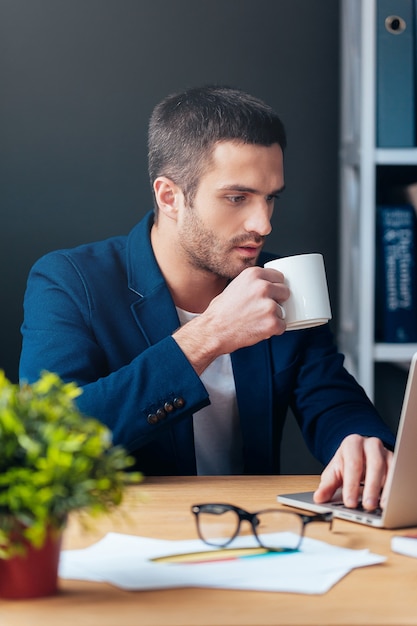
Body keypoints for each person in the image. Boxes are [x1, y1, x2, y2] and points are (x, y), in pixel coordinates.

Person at [20, 85, 395, 511]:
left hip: (252, 530)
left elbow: (332, 400)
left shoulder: (277, 280)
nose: (263, 223)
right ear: (170, 196)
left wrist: (360, 442)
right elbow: (49, 440)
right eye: (237, 198)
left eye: (270, 197)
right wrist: (209, 336)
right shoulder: (70, 282)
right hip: (126, 532)